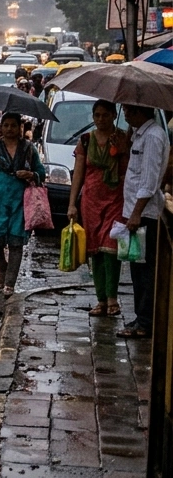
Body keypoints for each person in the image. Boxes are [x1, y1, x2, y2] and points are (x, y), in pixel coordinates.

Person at [0, 112, 46, 297]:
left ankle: (10, 283)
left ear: (20, 127)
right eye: (6, 125)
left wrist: (31, 175)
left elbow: (41, 172)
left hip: (20, 203)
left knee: (15, 243)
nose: (10, 129)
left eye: (13, 125)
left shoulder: (29, 149)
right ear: (1, 127)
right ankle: (2, 267)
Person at [68, 100, 129, 317]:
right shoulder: (86, 140)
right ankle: (101, 299)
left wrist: (122, 150)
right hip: (91, 201)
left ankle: (112, 299)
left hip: (116, 199)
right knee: (95, 251)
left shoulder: (124, 139)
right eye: (97, 115)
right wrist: (72, 204)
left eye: (105, 115)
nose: (101, 119)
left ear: (114, 115)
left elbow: (131, 170)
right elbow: (79, 174)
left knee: (111, 248)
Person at [115, 104, 169, 339]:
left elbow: (149, 180)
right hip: (133, 211)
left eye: (129, 110)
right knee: (136, 268)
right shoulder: (139, 135)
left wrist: (137, 213)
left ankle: (146, 321)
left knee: (145, 270)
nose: (125, 114)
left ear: (140, 112)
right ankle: (140, 315)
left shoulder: (154, 137)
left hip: (144, 214)